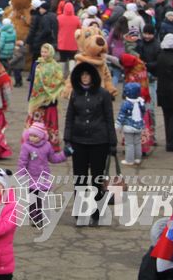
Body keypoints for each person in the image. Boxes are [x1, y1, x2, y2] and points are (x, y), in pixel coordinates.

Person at [64, 61, 115, 226]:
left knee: (97, 179)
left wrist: (112, 143)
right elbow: (69, 118)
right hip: (78, 141)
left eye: (88, 75)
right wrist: (67, 139)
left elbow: (109, 118)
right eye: (82, 75)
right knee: (80, 179)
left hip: (99, 141)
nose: (85, 78)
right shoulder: (75, 94)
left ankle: (97, 212)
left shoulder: (103, 94)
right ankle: (80, 212)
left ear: (93, 77)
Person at [17, 124, 66, 225]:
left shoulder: (47, 146)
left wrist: (64, 154)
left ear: (42, 136)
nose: (32, 138)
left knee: (40, 199)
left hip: (43, 177)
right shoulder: (26, 147)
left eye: (35, 136)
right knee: (33, 198)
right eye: (31, 135)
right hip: (31, 177)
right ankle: (35, 217)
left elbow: (53, 158)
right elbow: (22, 162)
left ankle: (37, 217)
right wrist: (21, 175)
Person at [26, 43, 65, 151]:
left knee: (50, 122)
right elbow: (33, 82)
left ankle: (51, 143)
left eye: (46, 52)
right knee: (37, 121)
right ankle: (34, 141)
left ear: (51, 52)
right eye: (42, 51)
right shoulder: (37, 64)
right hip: (38, 99)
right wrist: (30, 97)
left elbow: (60, 81)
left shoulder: (56, 66)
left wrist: (52, 92)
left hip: (50, 100)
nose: (43, 54)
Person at [115, 83, 146, 165]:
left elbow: (121, 115)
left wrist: (117, 125)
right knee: (137, 143)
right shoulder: (141, 102)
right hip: (139, 125)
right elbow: (143, 112)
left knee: (129, 144)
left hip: (129, 126)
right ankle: (137, 158)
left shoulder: (126, 103)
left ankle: (129, 160)